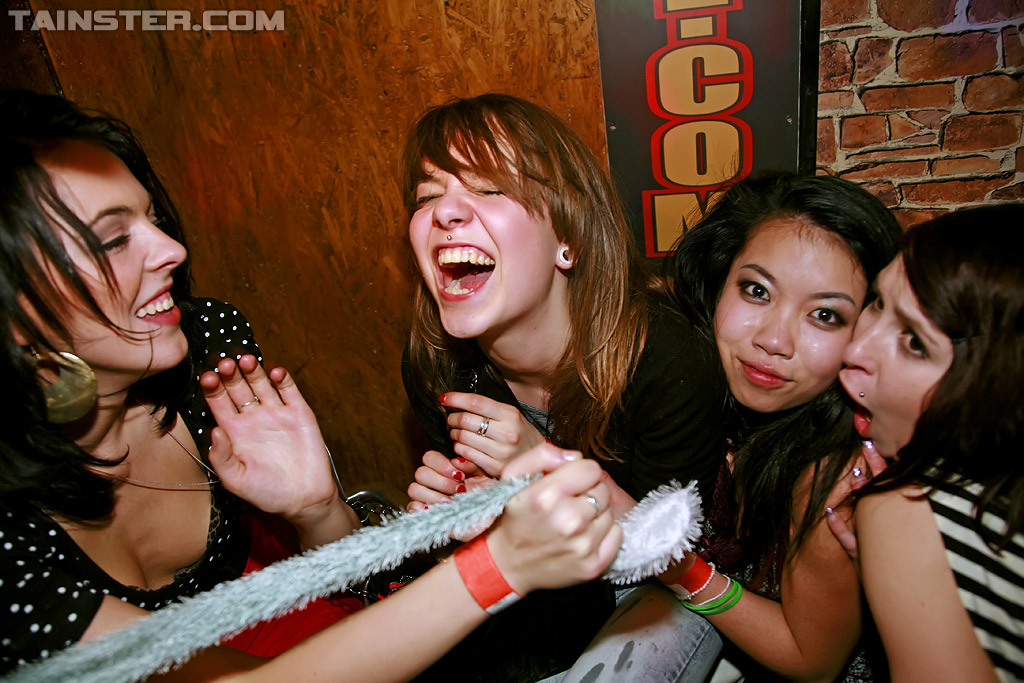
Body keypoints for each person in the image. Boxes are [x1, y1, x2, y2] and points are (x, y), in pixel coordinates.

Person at [0, 88, 621, 680]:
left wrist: (317, 512)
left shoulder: (205, 347)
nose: (171, 249)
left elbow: (347, 584)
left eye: (154, 218)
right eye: (113, 239)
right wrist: (498, 564)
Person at [398, 93, 730, 681]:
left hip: (665, 586)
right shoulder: (436, 367)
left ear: (567, 238)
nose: (445, 212)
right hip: (542, 584)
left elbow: (679, 558)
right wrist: (464, 521)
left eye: (489, 188)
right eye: (427, 197)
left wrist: (543, 469)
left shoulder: (668, 357)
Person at [623, 172, 902, 683]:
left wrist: (675, 563)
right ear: (718, 281)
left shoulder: (832, 477)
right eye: (756, 291)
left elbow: (812, 662)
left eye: (824, 315)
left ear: (867, 332)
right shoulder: (689, 384)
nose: (774, 340)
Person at [831, 204, 1024, 681]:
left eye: (915, 342)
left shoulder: (903, 510)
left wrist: (905, 548)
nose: (854, 350)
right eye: (878, 302)